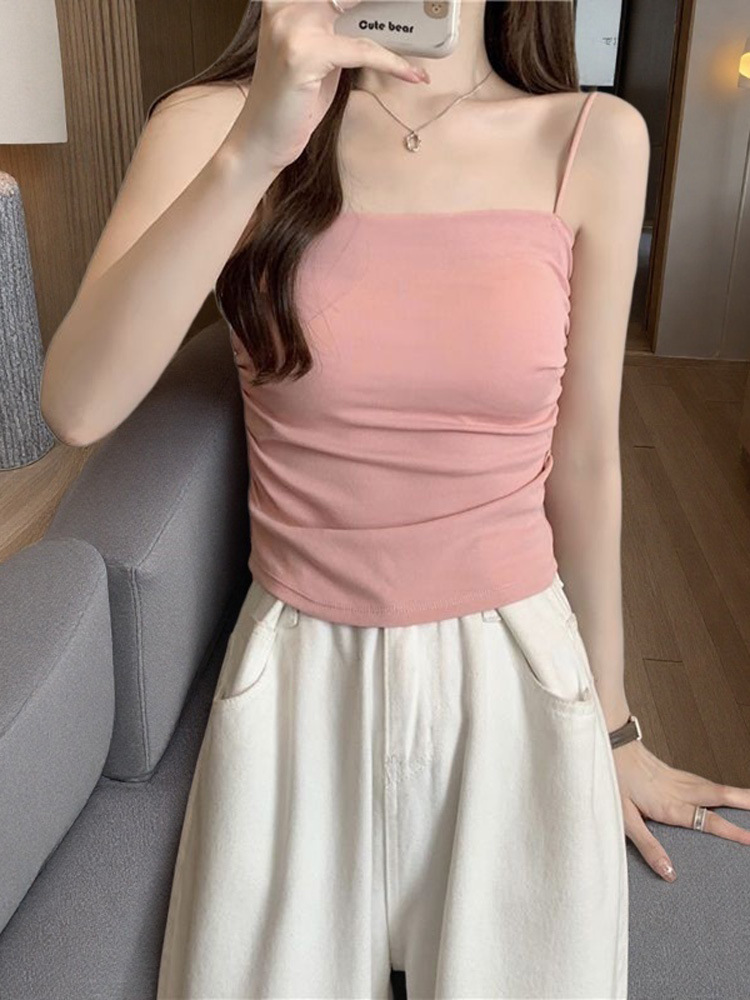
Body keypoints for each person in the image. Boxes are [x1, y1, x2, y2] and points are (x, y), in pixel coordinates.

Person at [42, 2, 748, 998]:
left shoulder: (593, 139)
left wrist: (615, 724)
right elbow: (78, 403)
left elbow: (585, 458)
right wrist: (254, 149)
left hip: (515, 678)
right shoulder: (218, 124)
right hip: (298, 681)